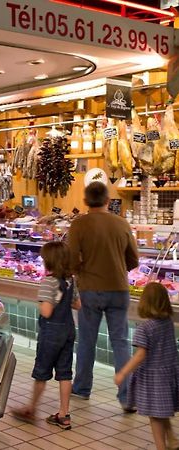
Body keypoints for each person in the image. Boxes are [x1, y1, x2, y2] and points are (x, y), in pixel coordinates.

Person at [68, 181, 139, 410]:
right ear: (108, 201)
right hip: (119, 289)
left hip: (91, 289)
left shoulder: (79, 225)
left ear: (86, 201)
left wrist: (82, 272)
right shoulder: (121, 223)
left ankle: (81, 389)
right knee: (121, 342)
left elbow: (71, 260)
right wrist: (117, 269)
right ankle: (127, 397)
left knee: (87, 340)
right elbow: (134, 260)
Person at [11, 241, 81, 430]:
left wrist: (43, 303)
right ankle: (64, 414)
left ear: (49, 261)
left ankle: (31, 409)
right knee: (65, 373)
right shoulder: (70, 280)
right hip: (68, 330)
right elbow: (77, 305)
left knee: (41, 373)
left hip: (51, 332)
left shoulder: (48, 282)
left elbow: (47, 312)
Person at [114, 283, 179, 450]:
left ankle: (160, 447)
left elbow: (140, 355)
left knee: (155, 416)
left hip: (153, 379)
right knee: (162, 410)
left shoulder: (144, 328)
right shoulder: (168, 322)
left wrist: (123, 372)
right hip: (168, 374)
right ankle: (172, 439)